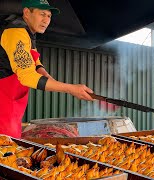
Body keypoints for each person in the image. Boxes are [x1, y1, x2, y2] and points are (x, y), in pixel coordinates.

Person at [0, 0, 94, 138]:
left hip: (11, 101)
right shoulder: (16, 32)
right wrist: (71, 88)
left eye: (49, 16)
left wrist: (48, 77)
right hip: (3, 99)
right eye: (42, 14)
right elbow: (27, 76)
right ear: (26, 12)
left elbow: (35, 60)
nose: (46, 20)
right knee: (5, 147)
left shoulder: (28, 31)